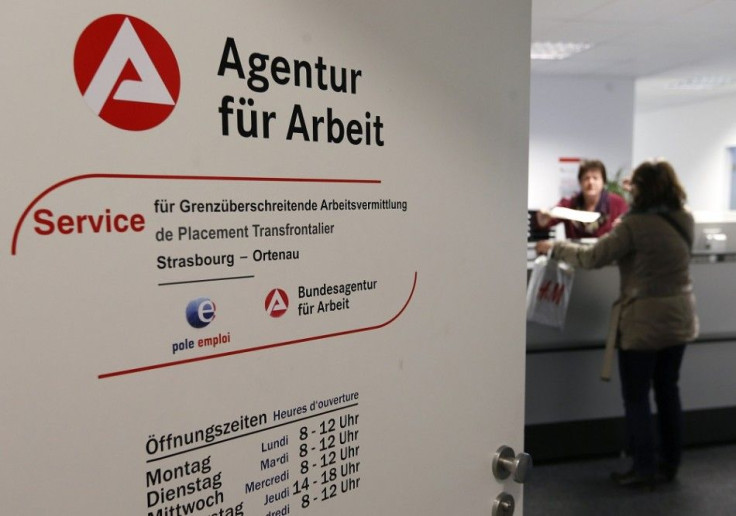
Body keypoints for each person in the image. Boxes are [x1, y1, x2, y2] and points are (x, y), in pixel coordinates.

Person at [536, 159, 699, 489]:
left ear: (643, 188)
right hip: (679, 316)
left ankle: (643, 468)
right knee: (669, 391)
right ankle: (670, 464)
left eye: (634, 185)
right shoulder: (685, 219)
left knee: (637, 396)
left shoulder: (633, 225)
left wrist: (555, 248)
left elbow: (593, 257)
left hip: (642, 320)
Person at [536, 159, 628, 239]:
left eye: (595, 178)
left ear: (603, 182)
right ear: (580, 182)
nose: (591, 182)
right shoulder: (569, 204)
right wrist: (542, 219)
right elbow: (547, 222)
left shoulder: (617, 203)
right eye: (586, 178)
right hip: (575, 256)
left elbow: (628, 227)